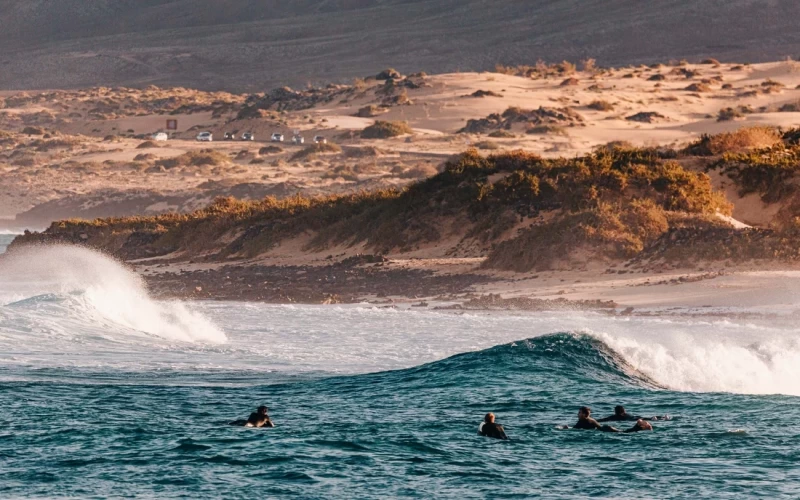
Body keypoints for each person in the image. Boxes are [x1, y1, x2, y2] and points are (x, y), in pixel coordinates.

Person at [597, 405, 663, 422]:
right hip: (633, 417)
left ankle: (655, 418)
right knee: (645, 418)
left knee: (643, 419)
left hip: (630, 420)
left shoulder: (615, 416)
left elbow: (604, 419)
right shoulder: (626, 414)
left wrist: (596, 420)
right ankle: (661, 417)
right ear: (624, 410)